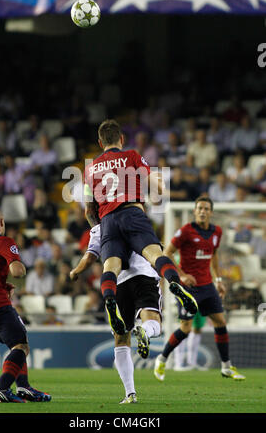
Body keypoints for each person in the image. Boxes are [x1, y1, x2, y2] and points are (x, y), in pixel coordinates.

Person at [83, 119, 197, 336]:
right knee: (156, 255)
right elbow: (159, 188)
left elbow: (88, 211)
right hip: (132, 213)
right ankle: (175, 283)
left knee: (111, 269)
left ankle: (108, 299)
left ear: (99, 142)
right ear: (122, 139)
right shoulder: (132, 156)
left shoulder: (89, 169)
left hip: (107, 221)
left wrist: (98, 229)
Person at [154, 196, 245, 381]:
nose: (202, 211)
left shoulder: (216, 232)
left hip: (207, 285)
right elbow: (167, 253)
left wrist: (218, 279)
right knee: (185, 329)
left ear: (211, 212)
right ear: (195, 211)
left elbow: (214, 255)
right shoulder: (186, 231)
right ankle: (162, 358)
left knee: (220, 322)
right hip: (188, 289)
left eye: (206, 208)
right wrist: (182, 275)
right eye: (199, 208)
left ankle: (226, 367)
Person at [70, 223, 162, 404]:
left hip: (116, 281)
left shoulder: (100, 227)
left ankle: (130, 394)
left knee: (121, 339)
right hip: (144, 274)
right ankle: (145, 331)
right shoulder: (136, 218)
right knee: (154, 322)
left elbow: (89, 257)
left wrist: (76, 271)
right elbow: (157, 250)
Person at [0, 207, 51, 403]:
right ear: (2, 222)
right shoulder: (4, 242)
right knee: (21, 345)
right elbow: (18, 271)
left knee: (16, 345)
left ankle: (23, 387)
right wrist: (17, 266)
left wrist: (2, 284)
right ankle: (3, 388)